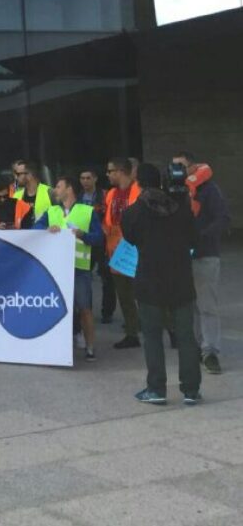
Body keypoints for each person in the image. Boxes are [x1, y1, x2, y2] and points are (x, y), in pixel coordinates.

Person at [122, 164, 201, 405]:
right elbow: (193, 238)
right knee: (186, 337)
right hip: (181, 281)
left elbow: (130, 238)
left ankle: (156, 388)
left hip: (150, 282)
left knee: (153, 337)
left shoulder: (134, 212)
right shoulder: (181, 208)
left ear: (139, 184)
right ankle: (191, 389)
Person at [34, 176, 104, 362]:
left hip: (79, 268)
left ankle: (90, 347)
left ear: (69, 189)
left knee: (85, 309)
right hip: (56, 268)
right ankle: (62, 345)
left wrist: (83, 235)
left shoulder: (87, 211)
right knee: (59, 307)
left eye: (58, 187)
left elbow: (98, 238)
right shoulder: (51, 212)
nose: (55, 190)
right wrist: (46, 230)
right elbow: (36, 229)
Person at [174, 151, 231, 375]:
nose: (177, 171)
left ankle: (210, 352)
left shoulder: (209, 189)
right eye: (174, 167)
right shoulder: (175, 192)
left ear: (193, 167)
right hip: (181, 256)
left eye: (181, 166)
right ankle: (197, 347)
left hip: (205, 254)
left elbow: (223, 219)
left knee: (207, 306)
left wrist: (201, 237)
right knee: (190, 305)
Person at [103, 157, 141, 349]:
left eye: (110, 171)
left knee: (146, 293)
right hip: (116, 252)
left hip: (136, 250)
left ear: (120, 172)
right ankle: (132, 334)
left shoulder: (139, 191)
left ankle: (172, 330)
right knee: (125, 296)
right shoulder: (110, 194)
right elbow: (108, 221)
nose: (108, 175)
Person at [79, 168, 115, 324]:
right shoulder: (78, 197)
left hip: (102, 240)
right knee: (83, 276)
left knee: (106, 277)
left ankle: (107, 312)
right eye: (82, 178)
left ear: (95, 179)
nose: (85, 181)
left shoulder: (104, 195)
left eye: (88, 178)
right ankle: (86, 310)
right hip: (84, 240)